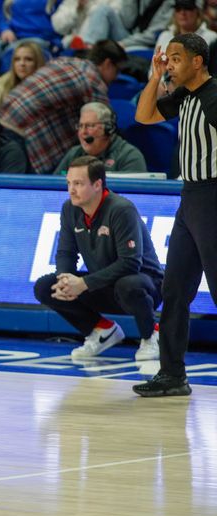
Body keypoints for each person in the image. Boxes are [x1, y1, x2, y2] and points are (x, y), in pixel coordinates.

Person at [133, 33, 217, 397]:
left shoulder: (215, 97)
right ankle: (172, 374)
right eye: (168, 58)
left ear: (198, 61)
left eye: (177, 58)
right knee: (175, 287)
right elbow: (143, 115)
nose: (171, 64)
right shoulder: (184, 96)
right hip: (190, 197)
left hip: (213, 196)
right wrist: (155, 77)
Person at [34, 156, 164, 360]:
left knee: (129, 284)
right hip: (104, 283)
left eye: (78, 183)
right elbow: (66, 252)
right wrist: (65, 279)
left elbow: (130, 262)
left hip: (146, 284)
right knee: (45, 287)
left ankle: (152, 335)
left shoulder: (121, 209)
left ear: (97, 184)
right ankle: (101, 330)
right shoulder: (70, 208)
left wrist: (84, 283)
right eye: (68, 183)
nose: (71, 190)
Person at [0, 39, 127, 174]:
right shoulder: (93, 81)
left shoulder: (67, 61)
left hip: (4, 121)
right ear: (107, 64)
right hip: (24, 133)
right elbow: (105, 126)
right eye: (116, 71)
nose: (115, 78)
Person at [55, 102, 146, 174]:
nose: (83, 132)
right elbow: (53, 187)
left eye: (90, 126)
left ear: (108, 129)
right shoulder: (74, 154)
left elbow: (133, 195)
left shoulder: (129, 156)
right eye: (80, 126)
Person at [0, 41, 45, 112]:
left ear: (38, 63)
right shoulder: (1, 84)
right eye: (17, 59)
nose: (22, 64)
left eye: (28, 59)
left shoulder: (46, 87)